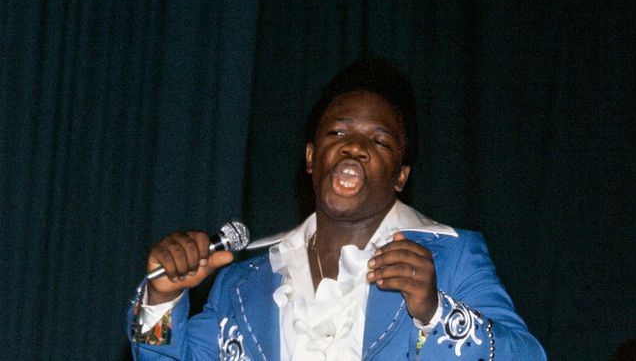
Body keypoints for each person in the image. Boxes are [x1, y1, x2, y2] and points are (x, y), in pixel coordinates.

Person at [127, 58, 547, 360]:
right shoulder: (243, 282)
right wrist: (161, 297)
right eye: (338, 132)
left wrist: (435, 311)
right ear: (311, 156)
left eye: (379, 141)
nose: (355, 147)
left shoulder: (452, 257)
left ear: (401, 175)